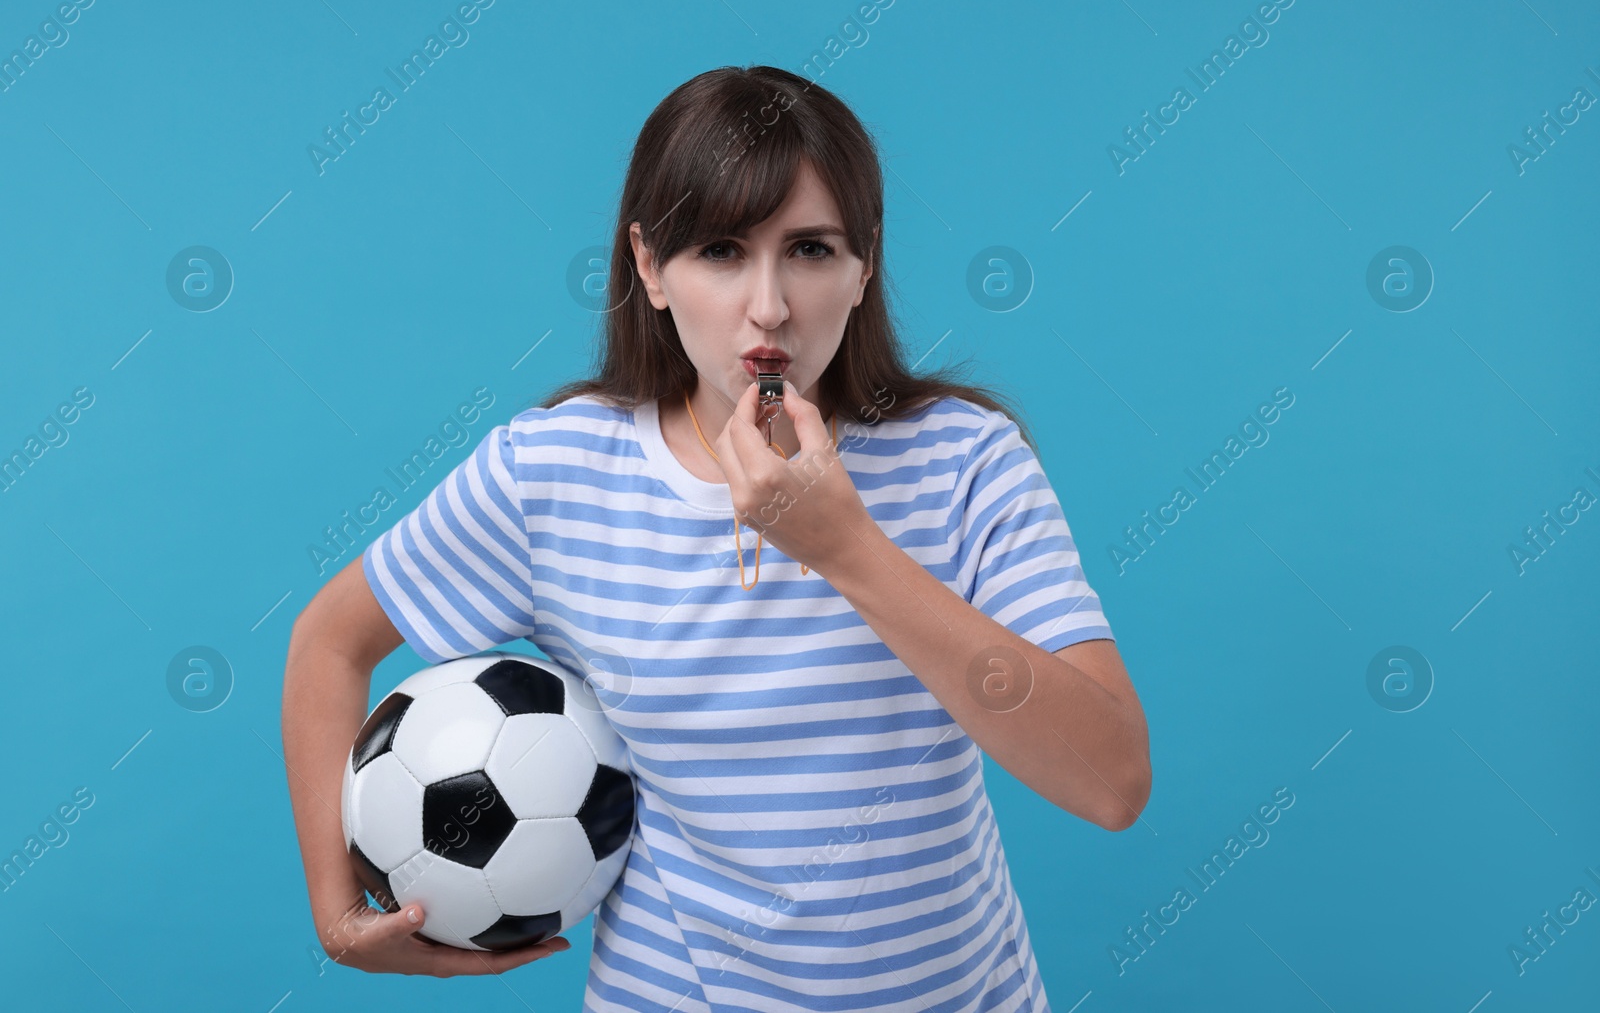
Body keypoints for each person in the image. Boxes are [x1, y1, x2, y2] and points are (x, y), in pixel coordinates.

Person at [282, 64, 1151, 1011]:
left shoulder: (962, 461)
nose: (769, 306)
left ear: (865, 265)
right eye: (722, 250)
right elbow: (332, 637)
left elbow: (1110, 778)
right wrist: (338, 910)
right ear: (651, 267)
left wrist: (847, 548)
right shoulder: (554, 475)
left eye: (811, 249)